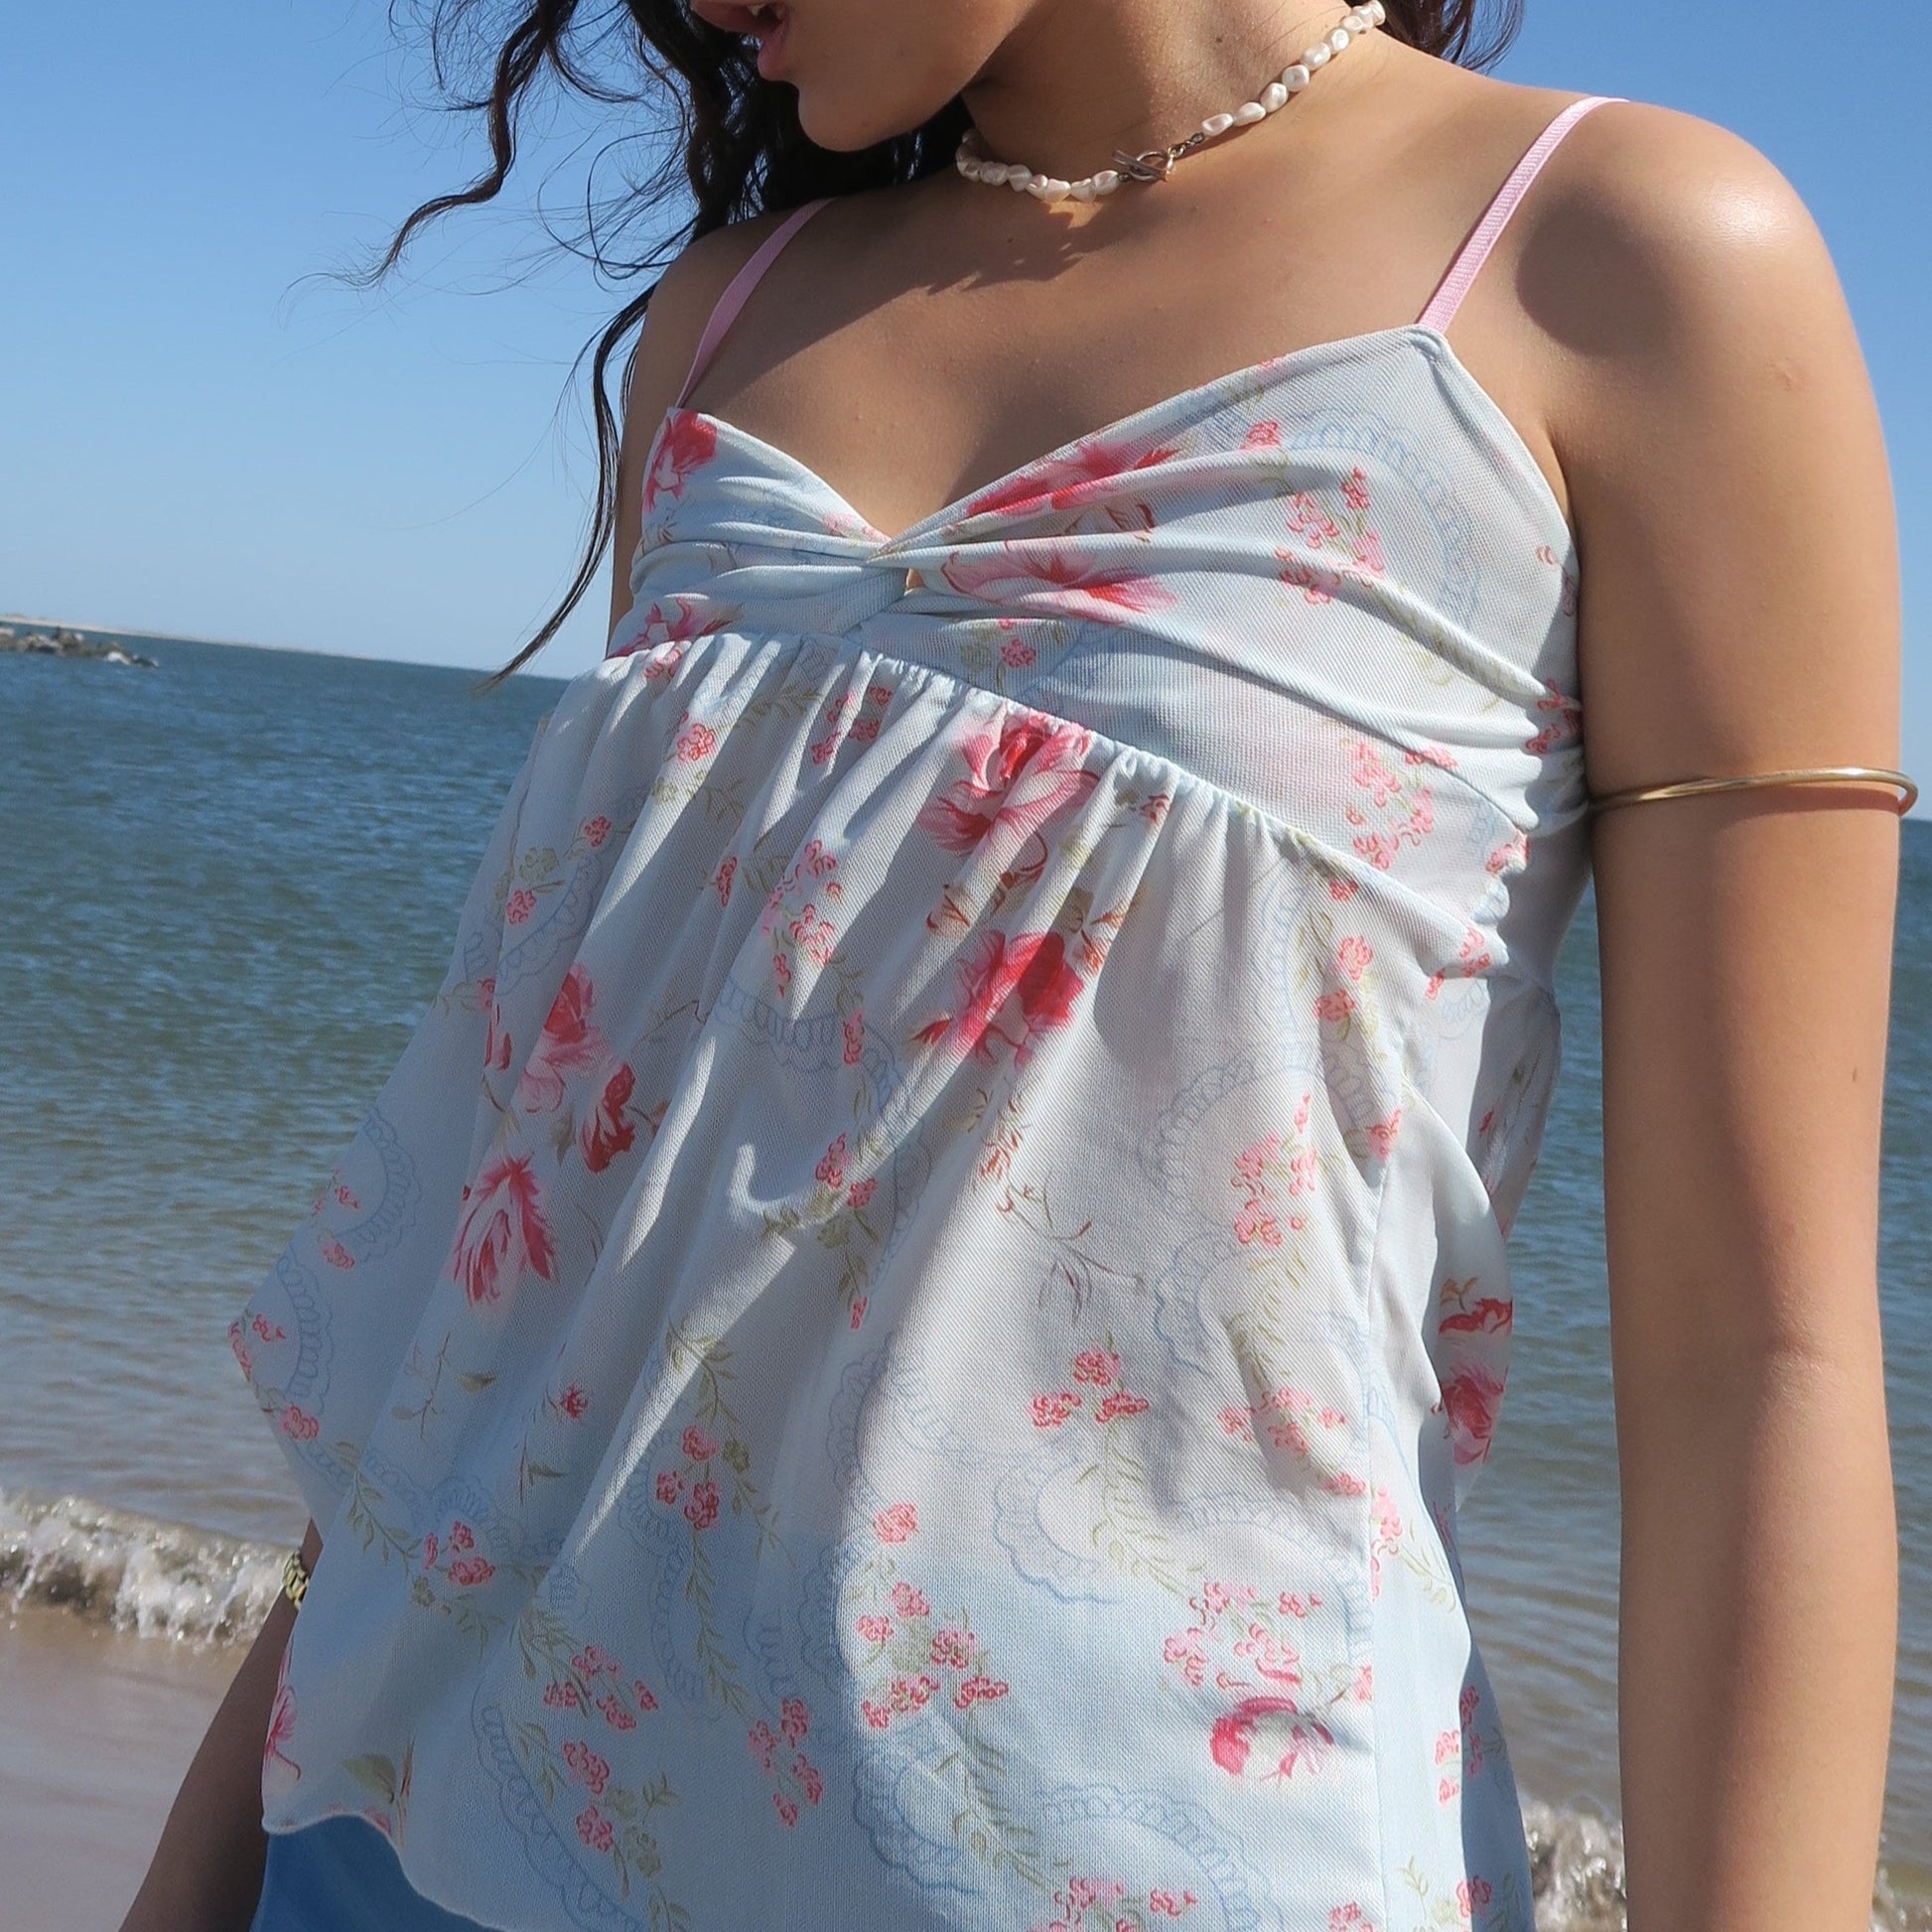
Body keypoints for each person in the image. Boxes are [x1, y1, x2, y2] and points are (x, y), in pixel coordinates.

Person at [121, 1, 1908, 1928]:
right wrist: (192, 1879)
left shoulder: (1616, 264)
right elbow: (521, 1265)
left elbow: (1760, 1361)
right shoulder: (725, 326)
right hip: (406, 1848)